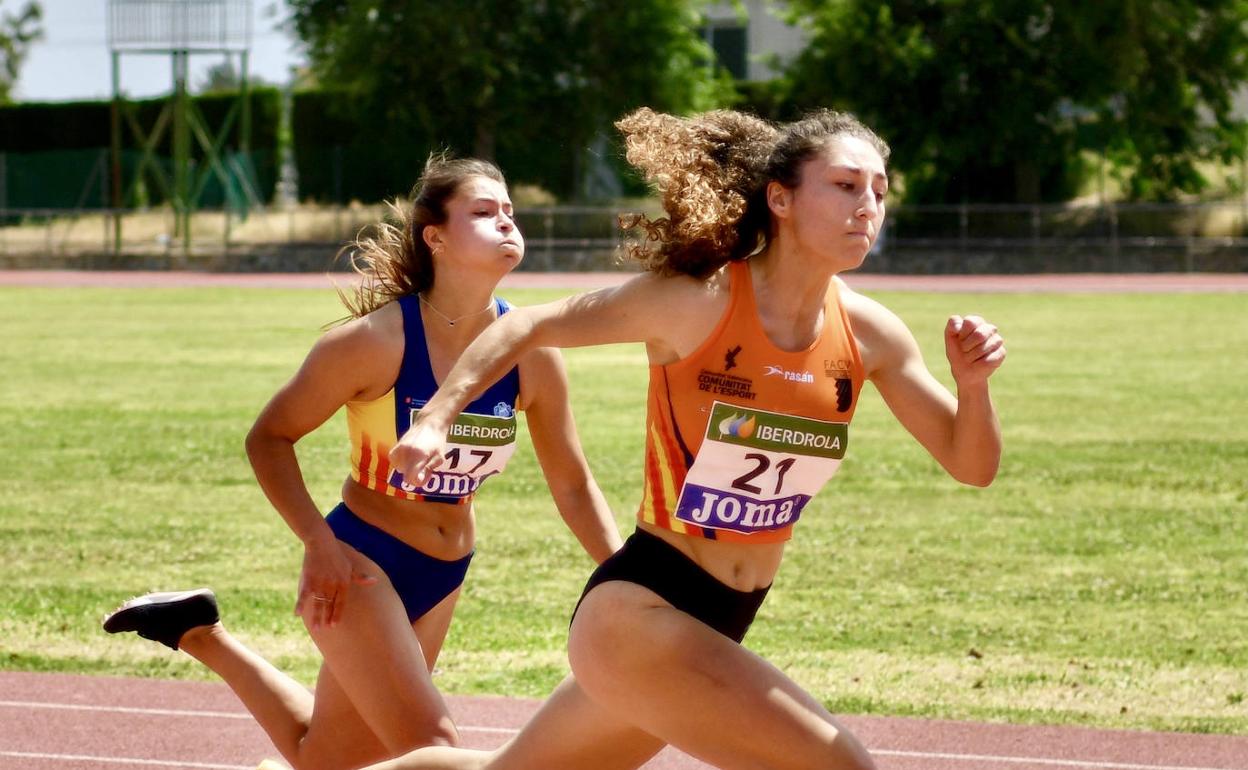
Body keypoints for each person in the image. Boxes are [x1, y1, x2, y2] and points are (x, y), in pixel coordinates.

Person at [366, 107, 1006, 770]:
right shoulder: (696, 301)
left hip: (722, 618)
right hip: (639, 615)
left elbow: (972, 464)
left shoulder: (872, 335)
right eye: (845, 185)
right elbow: (525, 325)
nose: (867, 205)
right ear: (780, 199)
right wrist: (436, 418)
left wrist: (974, 386)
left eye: (879, 190)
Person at [102, 155, 623, 770]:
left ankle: (197, 631)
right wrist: (318, 543)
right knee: (432, 750)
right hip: (361, 562)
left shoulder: (532, 353)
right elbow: (269, 438)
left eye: (510, 211)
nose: (507, 222)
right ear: (435, 238)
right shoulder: (375, 342)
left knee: (324, 758)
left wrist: (628, 576)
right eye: (484, 212)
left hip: (446, 567)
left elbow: (572, 483)